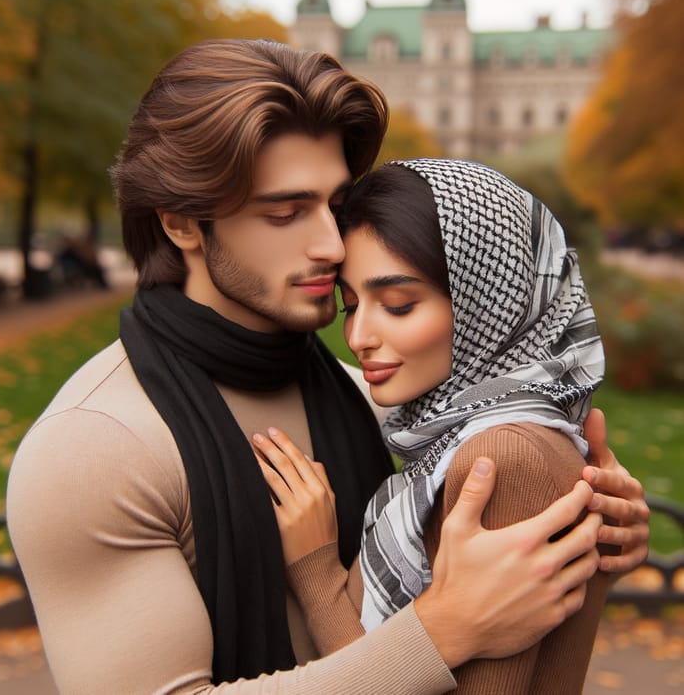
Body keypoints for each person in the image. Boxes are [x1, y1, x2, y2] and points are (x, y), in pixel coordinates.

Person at [4, 40, 647, 694]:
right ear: (180, 225)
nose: (332, 244)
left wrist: (584, 546)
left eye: (337, 207)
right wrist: (441, 631)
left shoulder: (373, 397)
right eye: (285, 212)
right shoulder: (90, 450)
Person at [255, 159, 649, 693]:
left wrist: (316, 570)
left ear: (487, 303)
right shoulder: (493, 434)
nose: (359, 336)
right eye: (352, 305)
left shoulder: (501, 458)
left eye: (397, 304)